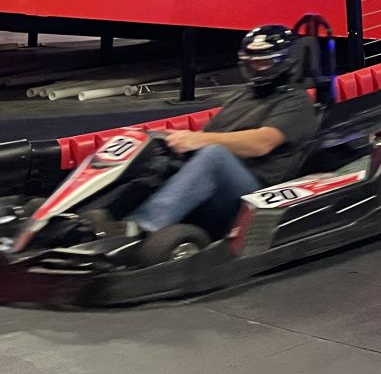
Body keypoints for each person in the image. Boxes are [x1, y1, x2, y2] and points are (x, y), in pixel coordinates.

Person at [102, 26, 320, 238]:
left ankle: (142, 227)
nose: (255, 67)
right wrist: (170, 140)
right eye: (251, 61)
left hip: (253, 193)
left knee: (215, 155)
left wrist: (198, 139)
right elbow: (210, 135)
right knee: (152, 147)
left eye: (263, 62)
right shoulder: (244, 95)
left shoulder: (296, 102)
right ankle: (104, 215)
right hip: (217, 182)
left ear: (285, 62)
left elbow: (261, 143)